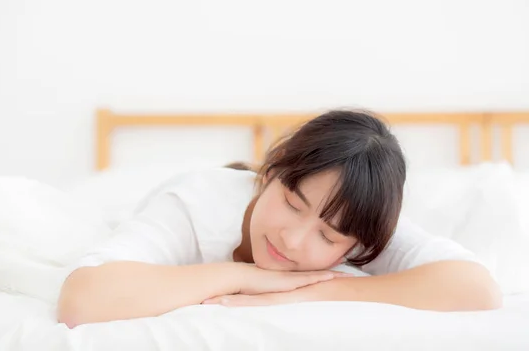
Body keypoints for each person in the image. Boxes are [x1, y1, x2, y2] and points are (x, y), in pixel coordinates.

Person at [57, 109, 502, 328]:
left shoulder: (360, 221)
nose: (293, 241)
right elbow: (83, 301)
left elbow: (477, 290)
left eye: (328, 237)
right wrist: (245, 277)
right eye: (291, 203)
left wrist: (318, 293)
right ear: (269, 173)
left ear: (355, 244)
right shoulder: (196, 202)